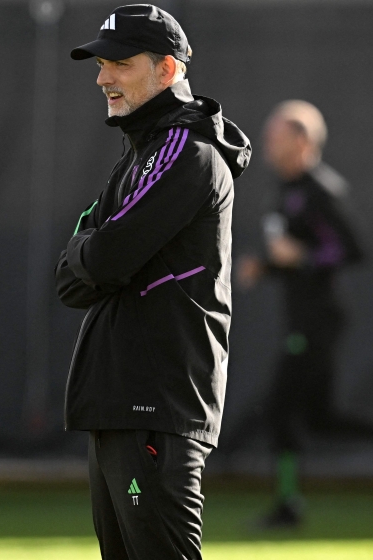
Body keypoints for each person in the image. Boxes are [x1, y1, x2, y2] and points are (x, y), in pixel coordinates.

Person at [54, 5, 251, 558]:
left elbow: (102, 258)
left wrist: (92, 251)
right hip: (121, 402)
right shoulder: (142, 153)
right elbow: (69, 281)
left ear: (167, 69)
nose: (103, 78)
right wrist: (94, 253)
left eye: (120, 63)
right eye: (100, 64)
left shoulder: (184, 152)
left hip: (154, 401)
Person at [236, 100, 365, 528]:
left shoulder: (321, 190)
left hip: (318, 319)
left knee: (281, 408)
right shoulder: (284, 190)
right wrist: (266, 267)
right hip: (300, 316)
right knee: (321, 418)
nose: (266, 144)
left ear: (301, 140)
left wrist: (302, 256)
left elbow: (352, 250)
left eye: (275, 136)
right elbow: (293, 257)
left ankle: (288, 505)